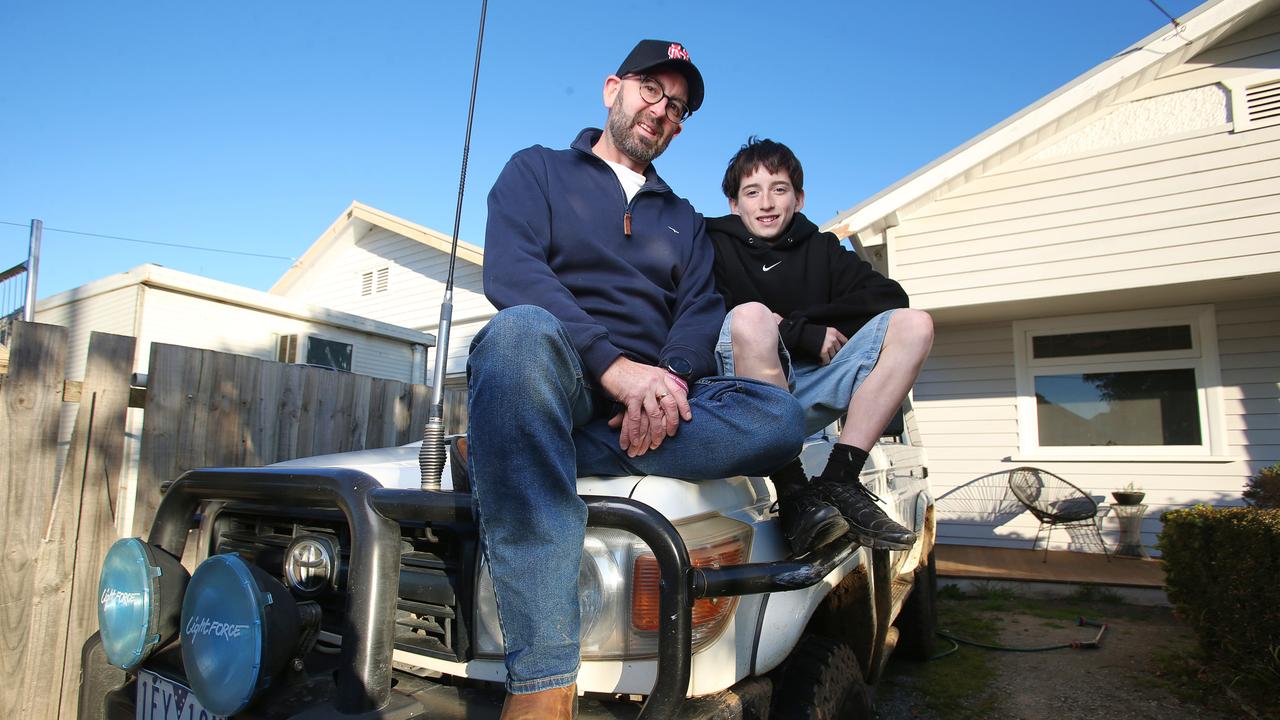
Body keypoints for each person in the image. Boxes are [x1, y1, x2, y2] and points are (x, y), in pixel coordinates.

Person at [471, 44, 806, 719]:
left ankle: (514, 449)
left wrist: (666, 383)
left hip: (654, 398)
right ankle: (542, 682)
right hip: (558, 369)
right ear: (611, 90)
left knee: (780, 419)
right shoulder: (535, 170)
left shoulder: (682, 218)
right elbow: (514, 272)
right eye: (652, 89)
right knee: (517, 335)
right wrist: (613, 368)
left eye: (677, 106)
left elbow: (698, 313)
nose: (663, 110)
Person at [707, 137, 935, 555]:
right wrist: (801, 334)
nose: (766, 203)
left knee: (914, 325)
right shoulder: (712, 244)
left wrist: (801, 326)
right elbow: (708, 309)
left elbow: (888, 299)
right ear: (733, 204)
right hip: (745, 396)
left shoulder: (822, 248)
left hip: (812, 389)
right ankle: (792, 487)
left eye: (779, 189)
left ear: (799, 197)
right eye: (752, 192)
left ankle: (840, 478)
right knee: (752, 316)